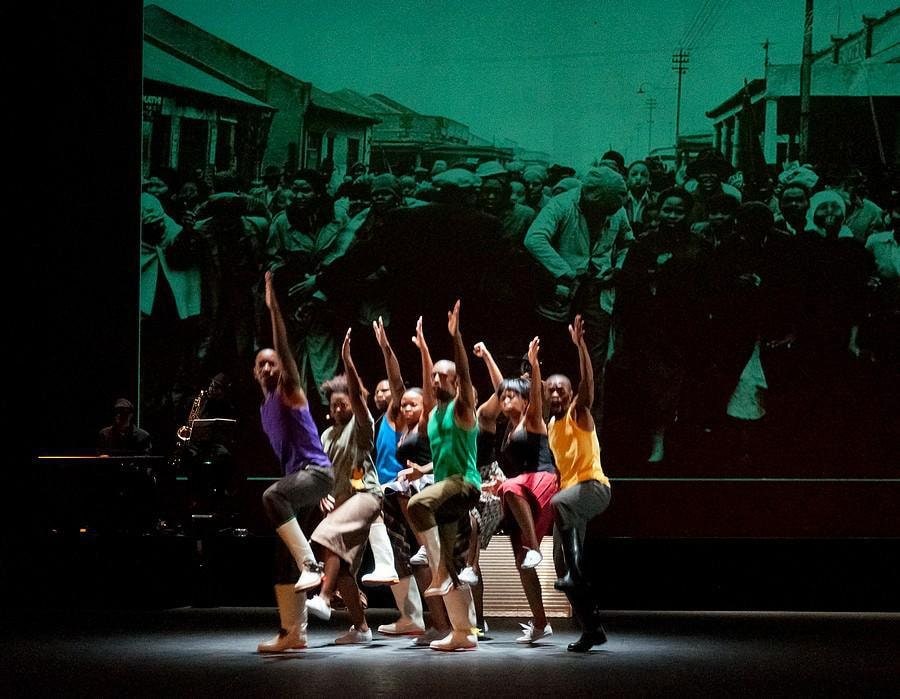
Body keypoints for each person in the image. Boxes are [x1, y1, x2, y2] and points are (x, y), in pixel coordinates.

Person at [255, 271, 335, 653]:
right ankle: (294, 634)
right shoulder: (265, 407)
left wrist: (274, 310)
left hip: (316, 473)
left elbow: (283, 346)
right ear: (255, 373)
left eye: (273, 363)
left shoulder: (289, 390)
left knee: (271, 496)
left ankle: (311, 566)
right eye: (262, 365)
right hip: (302, 483)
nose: (269, 368)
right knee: (280, 558)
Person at [406, 303, 482, 651]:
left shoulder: (461, 407)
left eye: (442, 376)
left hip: (464, 484)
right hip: (448, 492)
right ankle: (464, 634)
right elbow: (424, 383)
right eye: (433, 377)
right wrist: (423, 349)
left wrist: (456, 338)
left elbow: (465, 376)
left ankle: (436, 567)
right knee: (452, 566)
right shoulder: (433, 415)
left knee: (417, 502)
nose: (436, 380)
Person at [474, 338, 558, 644]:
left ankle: (536, 548)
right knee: (521, 563)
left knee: (510, 488)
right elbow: (501, 386)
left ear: (524, 401)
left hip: (542, 483)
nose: (506, 398)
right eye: (504, 397)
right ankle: (541, 622)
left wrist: (534, 366)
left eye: (513, 396)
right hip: (520, 493)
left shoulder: (532, 419)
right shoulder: (507, 427)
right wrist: (487, 356)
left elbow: (532, 393)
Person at [304, 329, 383, 645]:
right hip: (342, 505)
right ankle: (362, 629)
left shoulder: (362, 426)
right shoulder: (326, 436)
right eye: (334, 406)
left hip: (366, 496)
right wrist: (323, 493)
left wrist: (348, 360)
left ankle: (322, 597)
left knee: (325, 534)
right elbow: (324, 474)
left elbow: (360, 399)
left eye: (344, 404)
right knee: (345, 570)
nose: (339, 410)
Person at [546, 315, 612, 652]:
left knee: (559, 502)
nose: (556, 392)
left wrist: (582, 346)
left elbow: (588, 381)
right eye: (551, 388)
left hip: (593, 488)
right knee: (561, 560)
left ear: (570, 394)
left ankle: (574, 575)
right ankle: (592, 628)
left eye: (562, 388)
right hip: (573, 497)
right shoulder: (552, 426)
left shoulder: (577, 412)